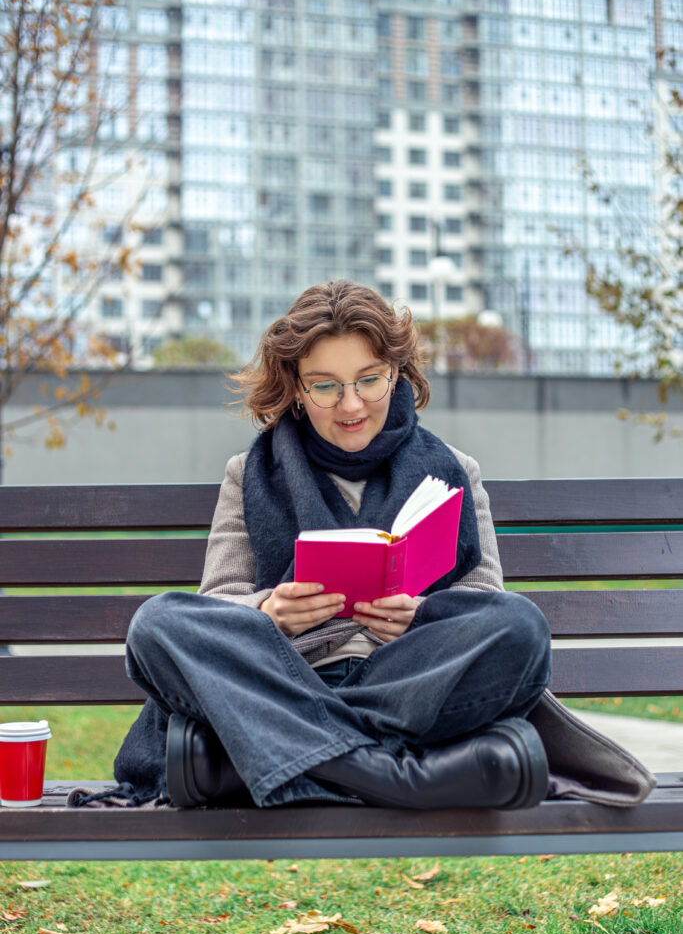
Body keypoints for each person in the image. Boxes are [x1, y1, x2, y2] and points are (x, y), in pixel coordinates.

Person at [116, 279, 553, 812]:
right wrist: (269, 611)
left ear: (396, 372)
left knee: (521, 628)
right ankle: (390, 773)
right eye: (325, 386)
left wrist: (422, 616)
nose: (351, 405)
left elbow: (486, 598)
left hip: (404, 681)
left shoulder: (455, 471)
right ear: (296, 387)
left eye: (369, 380)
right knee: (158, 625)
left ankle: (266, 760)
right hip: (286, 675)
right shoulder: (247, 474)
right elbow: (218, 605)